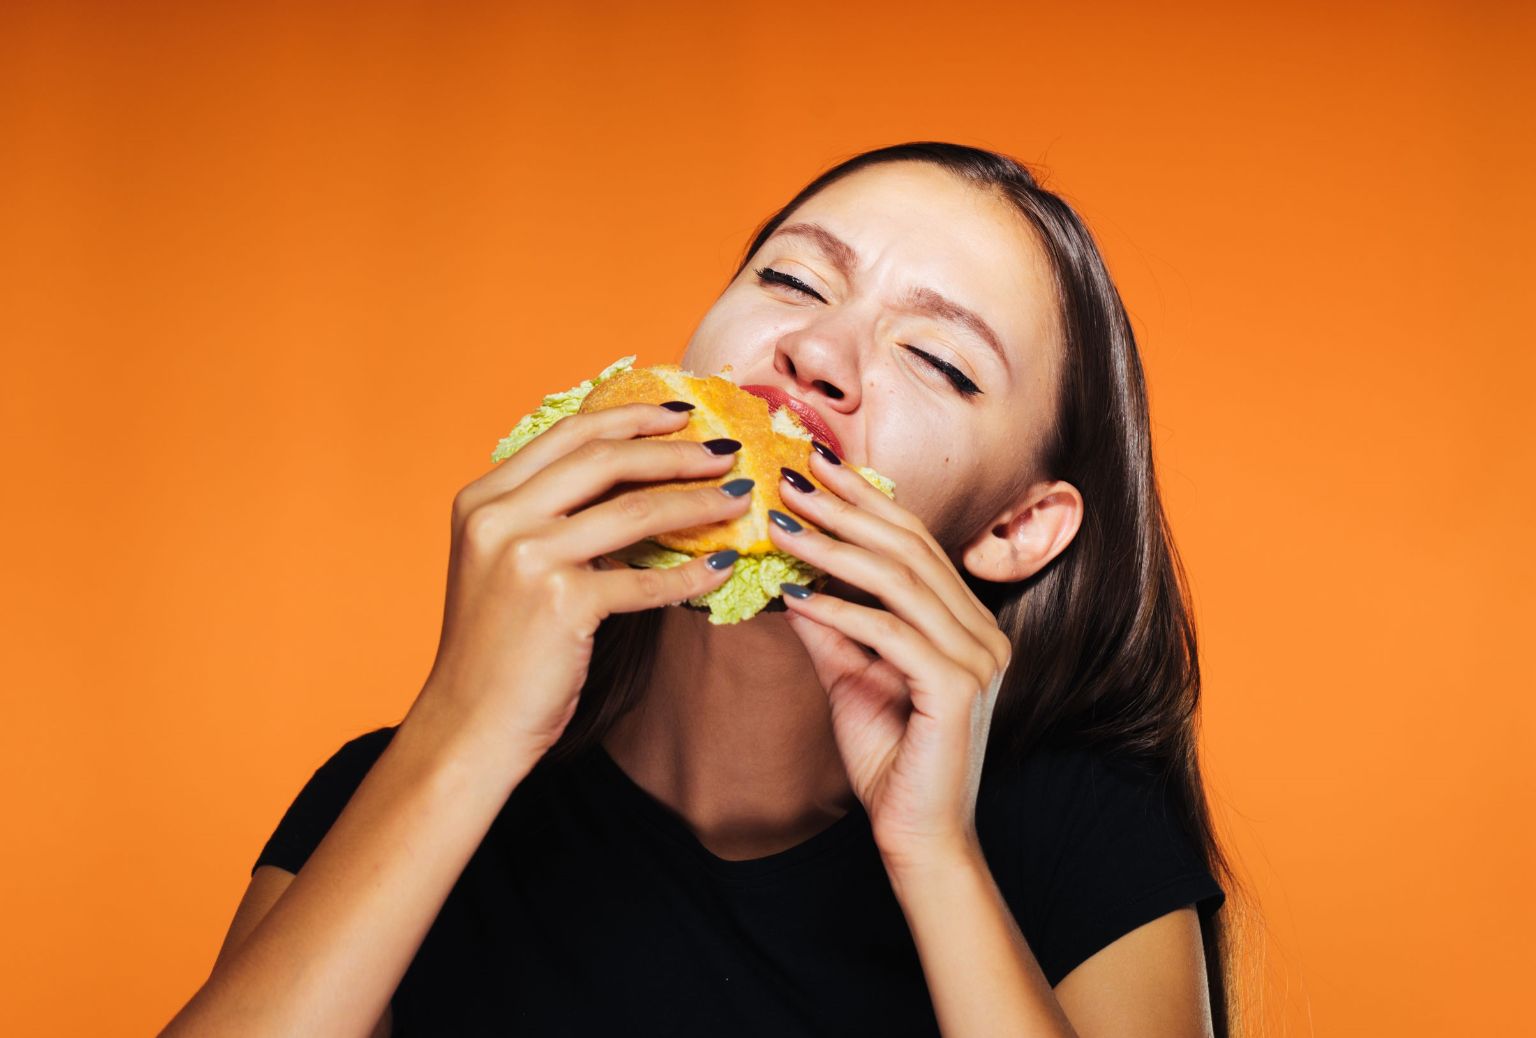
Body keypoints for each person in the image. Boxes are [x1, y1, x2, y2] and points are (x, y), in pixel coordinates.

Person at [161, 141, 1240, 1037]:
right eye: (791, 281)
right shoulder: (398, 792)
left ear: (1013, 528)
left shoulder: (1081, 836)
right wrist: (462, 728)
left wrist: (935, 857)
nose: (815, 351)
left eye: (939, 361)